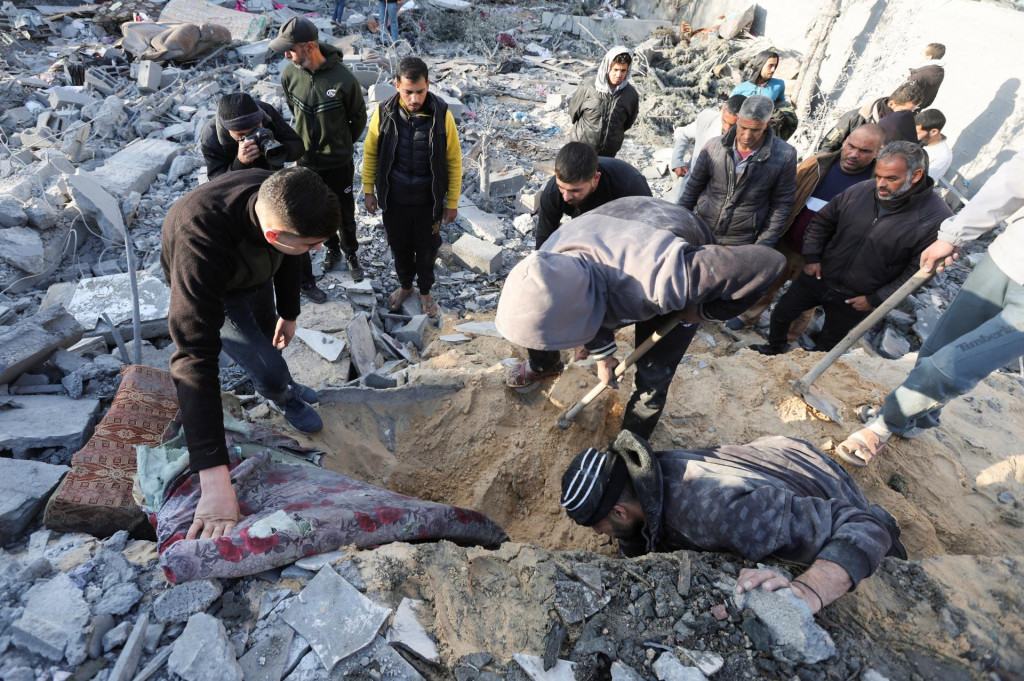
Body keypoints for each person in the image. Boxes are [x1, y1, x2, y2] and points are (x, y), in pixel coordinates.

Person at [495, 196, 784, 439]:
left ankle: (630, 445)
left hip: (668, 238)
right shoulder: (547, 262)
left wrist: (704, 310)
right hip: (621, 226)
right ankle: (550, 365)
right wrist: (604, 356)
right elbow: (583, 302)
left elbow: (768, 263)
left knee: (653, 374)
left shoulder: (662, 281)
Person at [161, 167, 337, 540]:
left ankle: (283, 384)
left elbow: (292, 254)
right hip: (219, 292)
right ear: (273, 235)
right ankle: (279, 393)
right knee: (267, 366)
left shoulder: (278, 195)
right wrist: (213, 476)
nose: (318, 251)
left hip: (256, 272)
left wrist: (289, 313)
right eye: (312, 244)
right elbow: (193, 358)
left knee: (271, 339)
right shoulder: (199, 242)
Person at [560, 430, 907, 614]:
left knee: (871, 548)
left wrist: (809, 591)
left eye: (596, 525)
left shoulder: (716, 515)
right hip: (777, 454)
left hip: (821, 483)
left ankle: (891, 532)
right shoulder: (644, 475)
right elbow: (639, 534)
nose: (596, 534)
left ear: (619, 512)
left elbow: (860, 527)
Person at [837, 149, 1024, 466]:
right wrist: (956, 235)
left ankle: (885, 424)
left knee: (950, 366)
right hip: (1005, 257)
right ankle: (916, 419)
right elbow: (1013, 180)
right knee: (936, 350)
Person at [753, 141, 951, 355]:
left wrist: (874, 299)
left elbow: (918, 272)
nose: (881, 184)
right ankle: (774, 349)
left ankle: (807, 373)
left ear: (916, 175)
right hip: (820, 277)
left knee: (829, 343)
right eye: (878, 176)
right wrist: (812, 257)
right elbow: (822, 221)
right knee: (782, 313)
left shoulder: (936, 219)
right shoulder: (862, 190)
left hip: (858, 298)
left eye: (891, 178)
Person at [726, 124, 886, 337]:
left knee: (805, 301)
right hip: (787, 242)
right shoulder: (818, 164)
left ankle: (788, 339)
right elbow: (784, 194)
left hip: (822, 258)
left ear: (878, 152)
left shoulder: (876, 184)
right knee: (767, 283)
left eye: (865, 151)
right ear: (845, 141)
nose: (854, 154)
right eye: (851, 146)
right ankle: (748, 316)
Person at [270, 17, 368, 287]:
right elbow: (294, 111)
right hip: (306, 162)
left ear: (310, 46)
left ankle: (351, 255)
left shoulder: (344, 79)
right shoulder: (289, 75)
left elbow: (358, 119)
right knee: (316, 211)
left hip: (338, 161)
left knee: (345, 211)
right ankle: (332, 249)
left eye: (290, 49)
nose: (286, 55)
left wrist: (340, 143)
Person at [362, 57, 462, 319]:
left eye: (420, 91)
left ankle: (426, 292)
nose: (415, 98)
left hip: (428, 201)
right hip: (394, 199)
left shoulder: (442, 114)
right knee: (400, 245)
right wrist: (369, 190)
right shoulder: (383, 113)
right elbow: (370, 152)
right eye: (408, 92)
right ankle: (406, 285)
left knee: (428, 248)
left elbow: (453, 160)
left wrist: (451, 202)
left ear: (428, 84)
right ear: (396, 85)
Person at [679, 95, 797, 248]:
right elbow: (692, 188)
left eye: (755, 130)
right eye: (743, 127)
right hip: (702, 230)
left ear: (768, 124)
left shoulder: (785, 156)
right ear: (738, 118)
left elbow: (781, 205)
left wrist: (763, 245)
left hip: (741, 241)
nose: (747, 136)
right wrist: (678, 222)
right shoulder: (714, 146)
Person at [536, 142, 651, 249]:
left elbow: (648, 233)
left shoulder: (630, 186)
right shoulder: (553, 191)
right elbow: (544, 240)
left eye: (575, 191)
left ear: (596, 178)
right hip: (585, 227)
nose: (566, 197)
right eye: (562, 187)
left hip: (624, 229)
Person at [200, 93, 304, 180]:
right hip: (240, 189)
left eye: (256, 128)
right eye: (241, 134)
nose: (252, 136)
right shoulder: (211, 138)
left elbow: (298, 147)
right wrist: (240, 163)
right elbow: (217, 183)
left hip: (273, 179)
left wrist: (280, 149)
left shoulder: (266, 112)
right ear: (227, 130)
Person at [665, 95, 745, 205]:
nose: (727, 128)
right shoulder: (707, 119)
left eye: (733, 125)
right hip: (690, 187)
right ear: (722, 109)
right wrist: (677, 161)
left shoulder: (749, 138)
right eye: (725, 121)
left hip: (718, 200)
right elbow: (683, 133)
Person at [568, 47, 639, 158]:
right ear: (607, 67)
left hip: (608, 154)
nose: (619, 75)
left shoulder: (631, 94)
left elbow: (627, 123)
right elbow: (573, 113)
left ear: (628, 70)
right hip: (581, 149)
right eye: (615, 70)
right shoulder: (588, 87)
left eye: (623, 70)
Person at [818, 83, 922, 154]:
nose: (907, 114)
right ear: (891, 104)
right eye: (904, 110)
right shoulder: (856, 117)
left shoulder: (904, 126)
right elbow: (828, 144)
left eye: (910, 111)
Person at [916, 109, 952, 182]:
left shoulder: (942, 157)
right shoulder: (921, 140)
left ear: (933, 132)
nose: (913, 135)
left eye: (917, 133)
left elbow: (922, 183)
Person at [907, 43, 945, 110]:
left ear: (928, 57)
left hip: (903, 109)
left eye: (922, 52)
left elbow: (903, 97)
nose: (920, 53)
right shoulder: (938, 71)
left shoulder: (919, 75)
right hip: (916, 108)